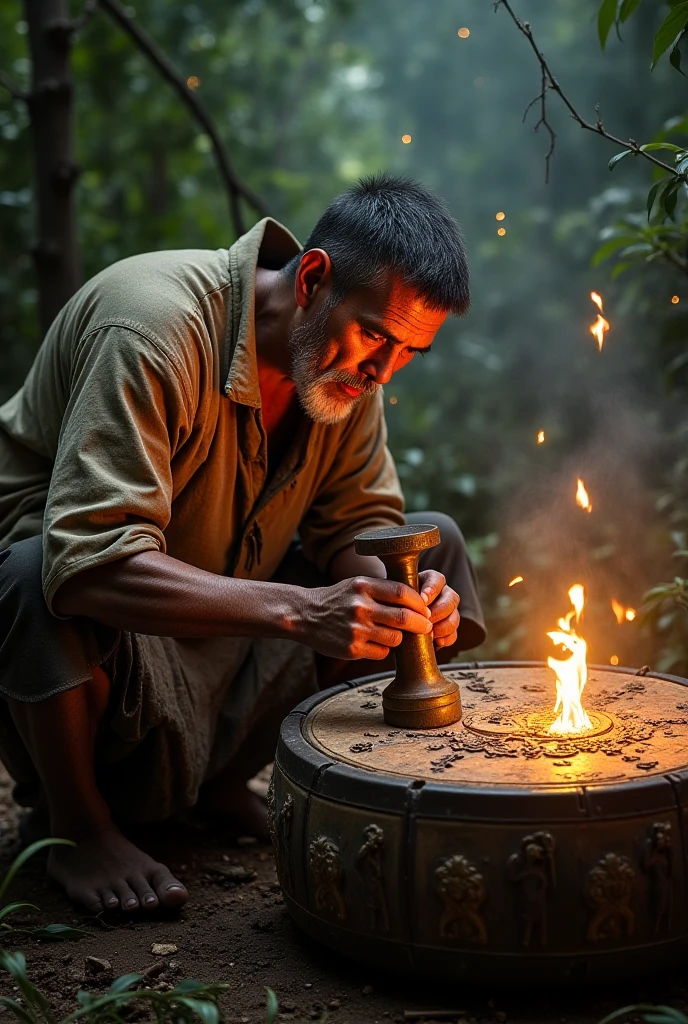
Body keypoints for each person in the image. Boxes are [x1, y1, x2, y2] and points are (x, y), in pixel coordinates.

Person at [0, 173, 485, 915]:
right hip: (95, 665)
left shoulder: (344, 375)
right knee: (36, 570)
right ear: (314, 278)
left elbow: (358, 530)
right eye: (377, 336)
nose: (383, 371)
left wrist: (404, 599)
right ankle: (78, 829)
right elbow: (88, 562)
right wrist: (302, 609)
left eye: (410, 352)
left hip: (223, 642)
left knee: (429, 546)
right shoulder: (151, 326)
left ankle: (262, 785)